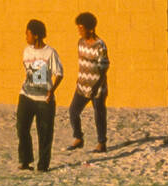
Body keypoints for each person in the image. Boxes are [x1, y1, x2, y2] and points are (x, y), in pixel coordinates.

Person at [17, 20, 63, 172]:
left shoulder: (50, 53)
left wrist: (52, 90)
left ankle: (43, 165)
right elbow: (30, 73)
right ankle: (25, 161)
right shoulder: (26, 51)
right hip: (26, 96)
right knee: (22, 128)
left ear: (36, 35)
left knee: (44, 133)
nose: (26, 37)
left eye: (28, 33)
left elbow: (59, 74)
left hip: (44, 100)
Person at [67, 12, 109, 153]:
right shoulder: (80, 43)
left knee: (99, 114)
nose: (79, 31)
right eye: (78, 28)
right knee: (73, 111)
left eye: (81, 28)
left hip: (97, 88)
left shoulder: (100, 45)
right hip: (82, 86)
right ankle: (78, 138)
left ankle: (101, 143)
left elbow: (104, 69)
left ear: (90, 29)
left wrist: (96, 86)